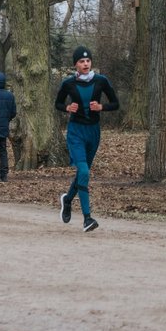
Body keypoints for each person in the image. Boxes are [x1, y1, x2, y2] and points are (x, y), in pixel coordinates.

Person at [55, 46, 119, 233]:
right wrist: (67, 108)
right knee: (83, 171)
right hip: (76, 132)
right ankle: (87, 218)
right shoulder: (68, 84)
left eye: (88, 61)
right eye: (81, 61)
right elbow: (57, 103)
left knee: (83, 173)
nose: (85, 64)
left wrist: (101, 107)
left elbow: (115, 103)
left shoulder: (101, 81)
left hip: (93, 132)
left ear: (91, 63)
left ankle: (67, 200)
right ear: (75, 64)